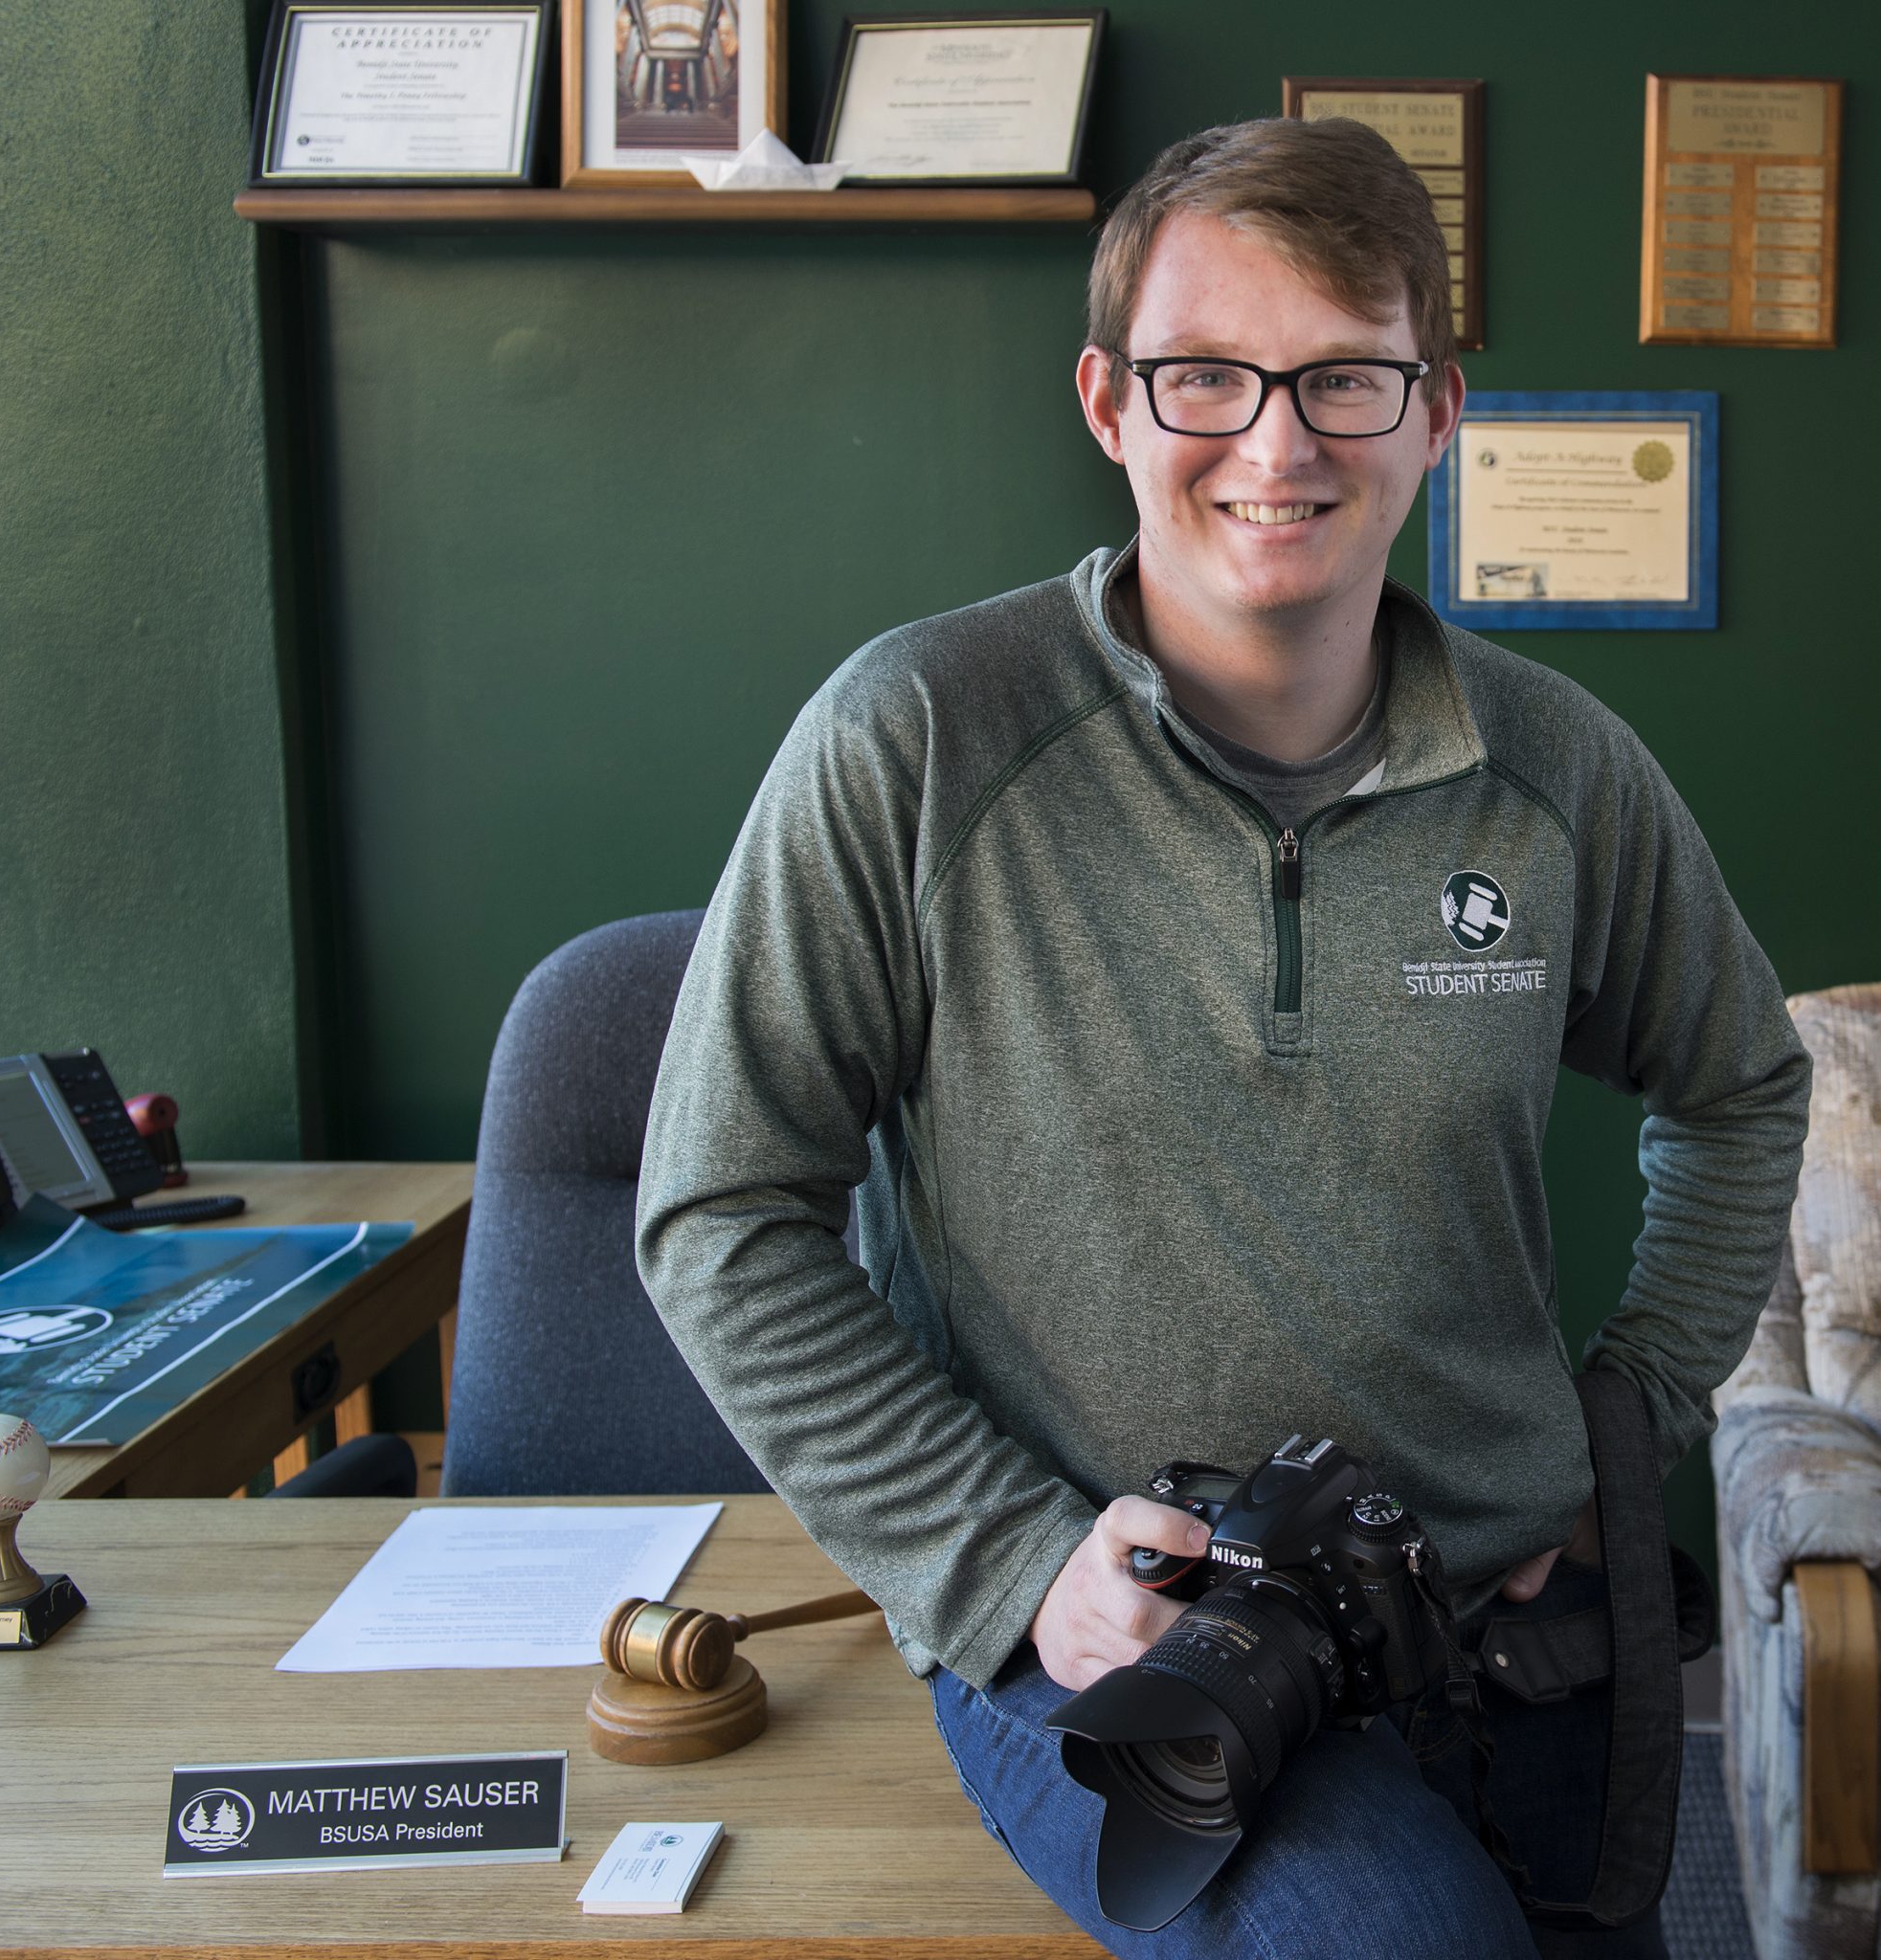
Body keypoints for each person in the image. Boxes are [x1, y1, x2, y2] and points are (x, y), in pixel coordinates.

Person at [637, 116, 1810, 1958]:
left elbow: (1743, 1087)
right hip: (1141, 1643)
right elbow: (718, 1211)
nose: (1279, 442)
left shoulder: (1559, 770)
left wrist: (1625, 1424)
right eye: (1210, 376)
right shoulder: (916, 741)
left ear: (1437, 409)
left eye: (1347, 377)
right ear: (1110, 403)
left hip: (1515, 1626)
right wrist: (1016, 1567)